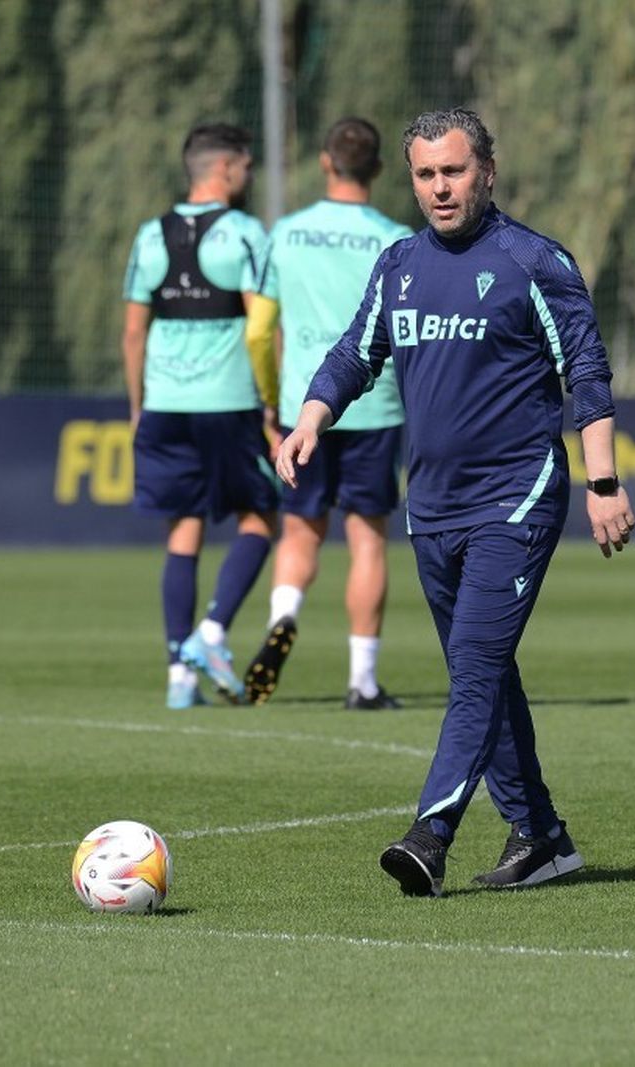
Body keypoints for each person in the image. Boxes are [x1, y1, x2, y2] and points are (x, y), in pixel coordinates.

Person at [275, 108, 635, 896]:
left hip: (517, 498)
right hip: (432, 508)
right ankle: (541, 836)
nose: (441, 187)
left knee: (472, 671)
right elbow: (356, 351)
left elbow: (586, 370)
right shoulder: (399, 263)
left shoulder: (533, 261)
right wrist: (310, 418)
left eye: (455, 171)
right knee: (487, 672)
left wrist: (603, 482)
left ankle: (429, 835)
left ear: (488, 172)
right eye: (426, 174)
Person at [241, 118, 415, 709]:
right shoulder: (395, 239)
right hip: (374, 403)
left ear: (324, 162)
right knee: (367, 542)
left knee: (299, 531)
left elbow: (259, 331)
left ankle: (284, 616)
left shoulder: (286, 234)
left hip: (304, 408)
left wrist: (272, 402)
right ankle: (362, 681)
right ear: (379, 170)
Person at [121, 123, 280, 709]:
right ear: (226, 168)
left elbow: (134, 332)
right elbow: (261, 327)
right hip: (228, 403)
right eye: (247, 166)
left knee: (183, 531)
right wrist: (272, 402)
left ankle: (178, 676)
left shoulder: (148, 236)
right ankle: (211, 634)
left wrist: (137, 406)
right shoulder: (245, 233)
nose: (249, 176)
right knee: (261, 517)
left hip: (164, 404)